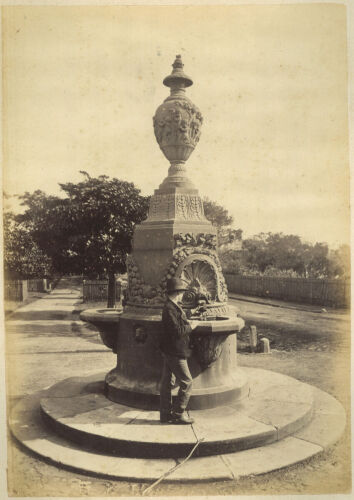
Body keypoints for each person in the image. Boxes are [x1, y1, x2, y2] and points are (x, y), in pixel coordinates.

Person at [159, 277, 198, 424]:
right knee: (187, 382)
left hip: (170, 350)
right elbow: (176, 331)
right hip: (175, 351)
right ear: (176, 293)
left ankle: (165, 414)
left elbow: (177, 322)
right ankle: (178, 413)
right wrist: (191, 327)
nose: (182, 295)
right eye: (181, 292)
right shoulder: (169, 309)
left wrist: (189, 316)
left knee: (167, 383)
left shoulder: (172, 306)